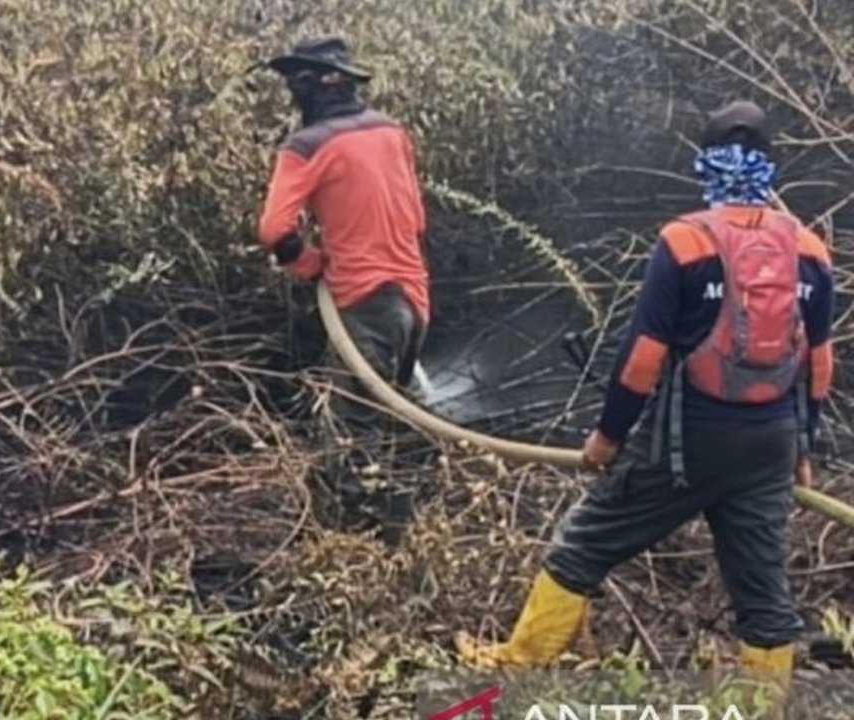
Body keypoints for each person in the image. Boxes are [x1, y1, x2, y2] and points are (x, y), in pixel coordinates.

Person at [453, 100, 836, 705]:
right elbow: (819, 363)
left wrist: (607, 438)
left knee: (584, 545)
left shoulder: (685, 242)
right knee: (764, 597)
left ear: (706, 166)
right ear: (770, 167)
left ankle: (517, 664)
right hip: (769, 445)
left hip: (687, 445)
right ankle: (762, 708)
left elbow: (641, 359)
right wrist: (803, 448)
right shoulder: (811, 250)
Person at [255, 36, 433, 544]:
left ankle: (357, 550)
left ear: (314, 85)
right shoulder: (391, 132)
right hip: (414, 299)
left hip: (363, 300)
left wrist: (312, 265)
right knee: (394, 420)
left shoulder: (305, 146)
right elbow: (416, 217)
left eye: (296, 82)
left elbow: (273, 230)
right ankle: (413, 535)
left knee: (350, 442)